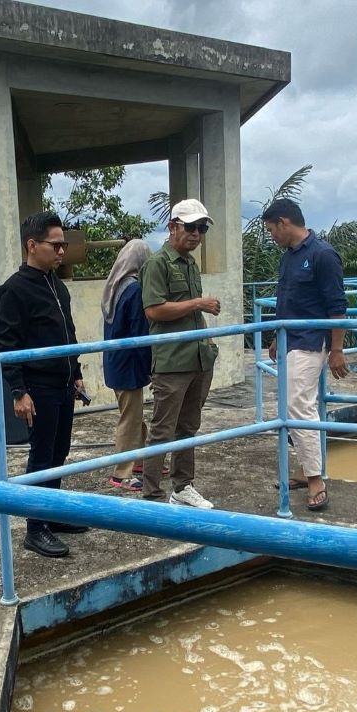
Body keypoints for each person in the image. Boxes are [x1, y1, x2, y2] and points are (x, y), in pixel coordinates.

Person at [0, 211, 90, 558]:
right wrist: (18, 391)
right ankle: (35, 528)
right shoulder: (14, 290)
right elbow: (6, 345)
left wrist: (76, 372)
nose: (62, 251)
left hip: (63, 384)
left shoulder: (57, 285)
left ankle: (52, 513)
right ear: (32, 245)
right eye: (56, 245)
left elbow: (68, 333)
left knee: (60, 451)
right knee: (42, 455)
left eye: (64, 245)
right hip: (39, 387)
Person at [263, 198, 349, 511]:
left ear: (284, 223)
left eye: (271, 229)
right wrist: (277, 336)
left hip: (312, 341)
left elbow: (337, 307)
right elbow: (285, 301)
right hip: (290, 339)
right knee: (291, 405)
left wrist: (336, 349)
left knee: (298, 405)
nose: (271, 236)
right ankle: (304, 470)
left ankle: (316, 480)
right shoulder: (288, 258)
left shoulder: (322, 254)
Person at [139, 199, 222, 509]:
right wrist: (198, 303)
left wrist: (208, 342)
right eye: (191, 227)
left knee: (188, 428)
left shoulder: (190, 264)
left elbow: (190, 315)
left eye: (202, 228)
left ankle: (183, 487)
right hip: (172, 362)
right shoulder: (157, 264)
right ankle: (152, 497)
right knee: (162, 430)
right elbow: (154, 310)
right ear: (172, 227)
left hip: (198, 358)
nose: (197, 234)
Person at [101, 239, 153, 491]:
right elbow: (140, 334)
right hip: (129, 364)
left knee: (134, 415)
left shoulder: (115, 285)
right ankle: (121, 474)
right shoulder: (134, 289)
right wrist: (151, 367)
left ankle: (139, 461)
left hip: (116, 362)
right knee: (130, 419)